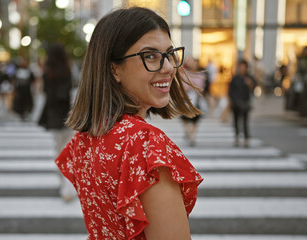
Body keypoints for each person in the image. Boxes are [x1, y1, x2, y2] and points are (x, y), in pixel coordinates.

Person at [55, 7, 203, 239]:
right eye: (150, 56)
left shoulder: (83, 140)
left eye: (169, 54)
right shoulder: (144, 144)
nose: (167, 68)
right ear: (114, 68)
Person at [38, 43, 76, 201]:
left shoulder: (48, 72)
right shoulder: (69, 70)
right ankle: (68, 187)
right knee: (70, 152)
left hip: (53, 115)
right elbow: (74, 90)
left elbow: (44, 92)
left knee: (59, 151)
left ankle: (63, 184)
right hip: (68, 114)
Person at [228, 60, 256, 148]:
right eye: (241, 67)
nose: (242, 68)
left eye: (244, 67)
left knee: (245, 121)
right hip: (236, 102)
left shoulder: (249, 78)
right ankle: (237, 137)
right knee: (236, 121)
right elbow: (230, 90)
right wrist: (230, 101)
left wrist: (250, 84)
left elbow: (254, 88)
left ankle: (246, 139)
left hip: (245, 102)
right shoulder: (235, 78)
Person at [181, 57, 207, 146]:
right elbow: (184, 86)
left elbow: (201, 87)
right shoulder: (185, 73)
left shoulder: (201, 74)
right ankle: (187, 132)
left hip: (197, 99)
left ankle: (192, 135)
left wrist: (191, 85)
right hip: (186, 99)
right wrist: (193, 86)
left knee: (195, 119)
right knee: (185, 118)